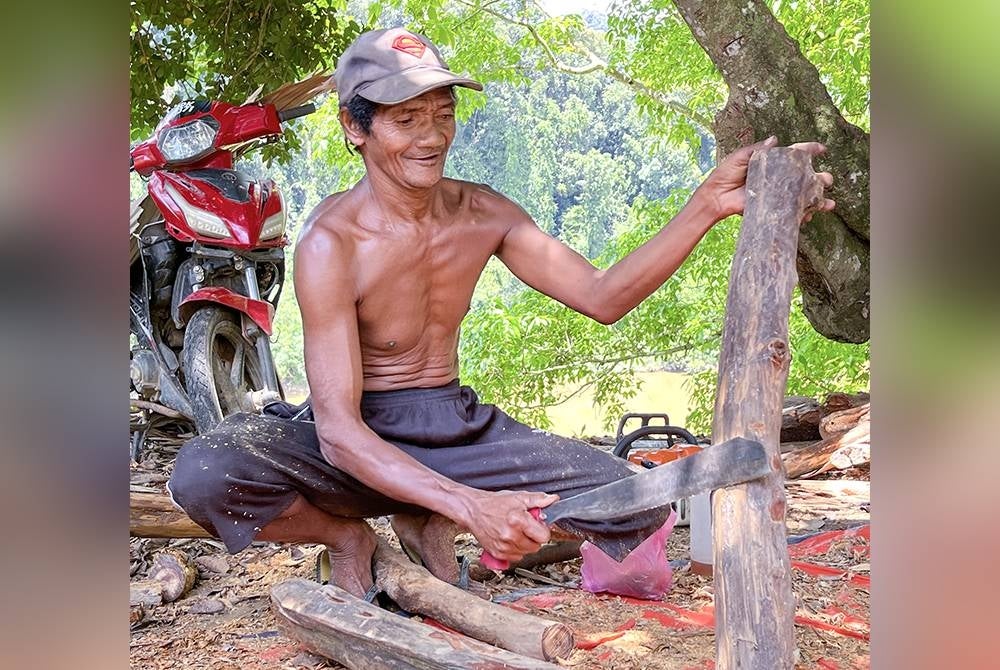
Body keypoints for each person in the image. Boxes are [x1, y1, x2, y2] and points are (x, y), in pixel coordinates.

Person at [168, 27, 834, 599]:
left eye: (442, 113)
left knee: (640, 505)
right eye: (406, 119)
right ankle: (348, 539)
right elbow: (339, 432)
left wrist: (708, 203)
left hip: (457, 429)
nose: (431, 137)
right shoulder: (330, 242)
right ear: (355, 126)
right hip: (357, 438)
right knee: (206, 471)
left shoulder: (484, 213)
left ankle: (426, 517)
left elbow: (602, 296)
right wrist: (472, 506)